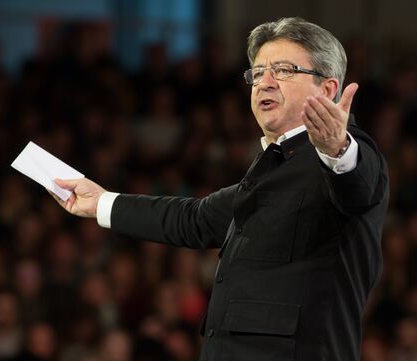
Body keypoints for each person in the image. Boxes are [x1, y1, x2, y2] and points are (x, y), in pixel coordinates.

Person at [50, 17, 389, 361]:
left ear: (327, 90)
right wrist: (101, 203)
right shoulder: (273, 165)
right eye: (257, 73)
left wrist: (336, 149)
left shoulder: (349, 153)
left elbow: (355, 187)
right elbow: (194, 220)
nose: (264, 83)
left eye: (284, 70)